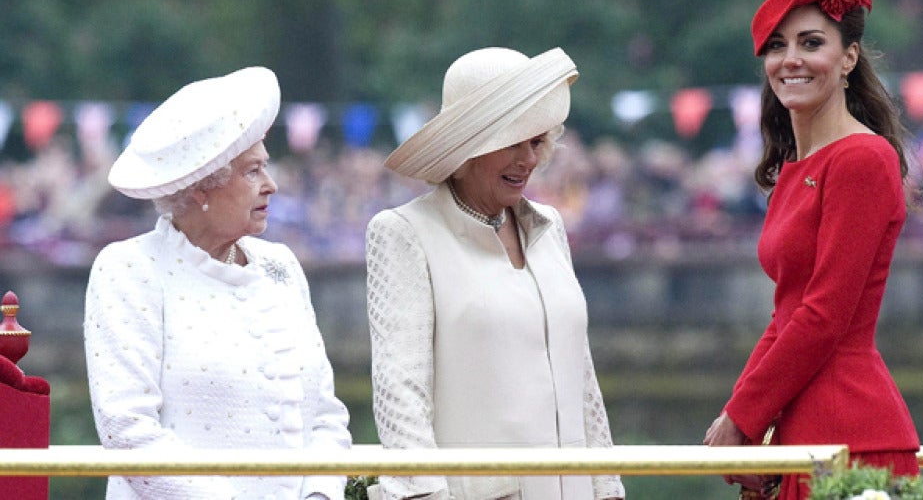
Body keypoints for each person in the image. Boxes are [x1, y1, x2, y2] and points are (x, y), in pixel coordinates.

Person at [703, 0, 921, 499]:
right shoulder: (795, 170)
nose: (790, 59)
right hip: (803, 433)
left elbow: (824, 315)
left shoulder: (863, 159)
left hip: (852, 437)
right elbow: (787, 315)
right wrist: (742, 419)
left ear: (848, 57)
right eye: (777, 45)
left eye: (811, 43)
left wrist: (743, 420)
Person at [364, 47, 626, 500]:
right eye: (512, 142)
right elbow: (400, 391)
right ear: (467, 149)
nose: (528, 158)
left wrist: (608, 488)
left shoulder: (549, 227)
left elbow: (582, 379)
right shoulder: (404, 233)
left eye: (536, 141)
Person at [84, 66, 353, 500]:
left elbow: (324, 415)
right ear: (201, 189)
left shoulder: (280, 266)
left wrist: (320, 494)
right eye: (252, 172)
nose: (272, 185)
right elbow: (127, 430)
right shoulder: (128, 268)